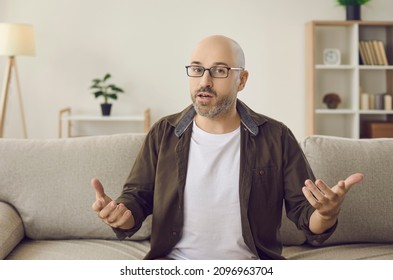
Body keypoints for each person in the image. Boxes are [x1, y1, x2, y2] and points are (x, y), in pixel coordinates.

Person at [91, 35, 364, 260]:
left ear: (241, 80)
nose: (204, 81)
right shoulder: (164, 133)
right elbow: (136, 201)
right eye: (197, 69)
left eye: (219, 71)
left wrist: (327, 213)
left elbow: (307, 217)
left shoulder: (276, 137)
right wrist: (119, 216)